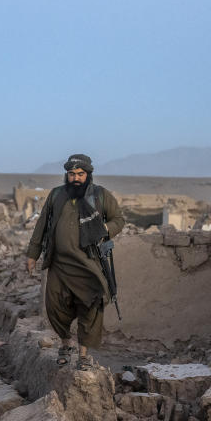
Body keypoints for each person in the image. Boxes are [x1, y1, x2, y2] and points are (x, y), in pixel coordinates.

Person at [25, 154, 124, 370]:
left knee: (91, 306)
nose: (76, 178)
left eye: (80, 174)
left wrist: (106, 230)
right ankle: (66, 343)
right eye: (71, 174)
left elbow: (119, 219)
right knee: (54, 307)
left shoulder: (100, 196)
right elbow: (41, 225)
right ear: (66, 175)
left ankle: (83, 354)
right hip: (59, 264)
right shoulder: (56, 195)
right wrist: (32, 254)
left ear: (88, 175)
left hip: (88, 264)